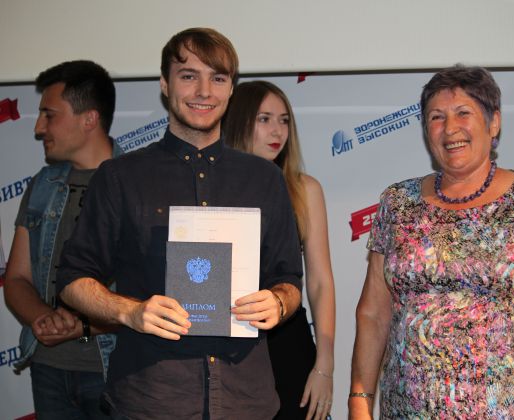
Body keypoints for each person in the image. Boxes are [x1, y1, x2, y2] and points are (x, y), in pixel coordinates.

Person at [56, 28, 303, 420]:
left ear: (231, 89)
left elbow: (289, 279)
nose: (204, 91)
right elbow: (71, 279)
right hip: (151, 400)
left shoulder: (264, 179)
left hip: (245, 401)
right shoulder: (120, 177)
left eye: (217, 78)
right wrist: (129, 311)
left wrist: (278, 302)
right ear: (164, 84)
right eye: (189, 76)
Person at [349, 65, 514, 419]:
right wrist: (359, 400)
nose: (450, 128)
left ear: (493, 122)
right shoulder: (397, 203)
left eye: (463, 113)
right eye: (436, 117)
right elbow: (373, 313)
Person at [3, 60, 120, 419]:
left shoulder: (139, 186)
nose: (39, 128)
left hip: (117, 371)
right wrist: (44, 319)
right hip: (48, 371)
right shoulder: (43, 185)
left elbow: (152, 293)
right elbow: (16, 278)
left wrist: (82, 326)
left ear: (89, 119)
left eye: (49, 115)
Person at [223, 81, 336, 420]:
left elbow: (320, 282)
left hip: (289, 343)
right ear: (239, 122)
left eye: (284, 120)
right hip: (229, 344)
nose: (277, 131)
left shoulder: (304, 189)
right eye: (264, 119)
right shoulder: (210, 187)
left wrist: (325, 366)